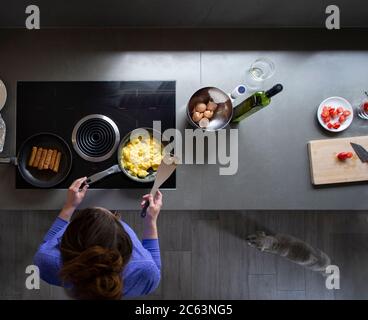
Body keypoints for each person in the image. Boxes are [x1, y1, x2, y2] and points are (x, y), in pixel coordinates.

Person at [33, 177, 163, 299]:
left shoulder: (46, 262)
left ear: (66, 241)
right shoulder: (144, 270)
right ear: (125, 245)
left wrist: (69, 206)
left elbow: (48, 244)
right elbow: (155, 268)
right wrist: (151, 220)